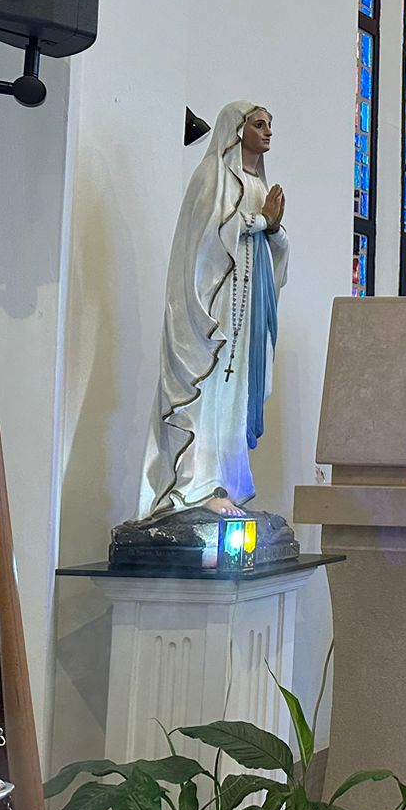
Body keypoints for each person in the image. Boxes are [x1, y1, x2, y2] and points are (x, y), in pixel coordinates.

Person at [137, 102, 287, 518]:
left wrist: (273, 230)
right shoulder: (212, 177)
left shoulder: (259, 186)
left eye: (270, 125)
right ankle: (193, 486)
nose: (268, 131)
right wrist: (260, 222)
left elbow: (270, 248)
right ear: (237, 130)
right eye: (259, 124)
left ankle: (226, 482)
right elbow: (206, 240)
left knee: (235, 399)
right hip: (212, 314)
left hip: (245, 317)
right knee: (208, 395)